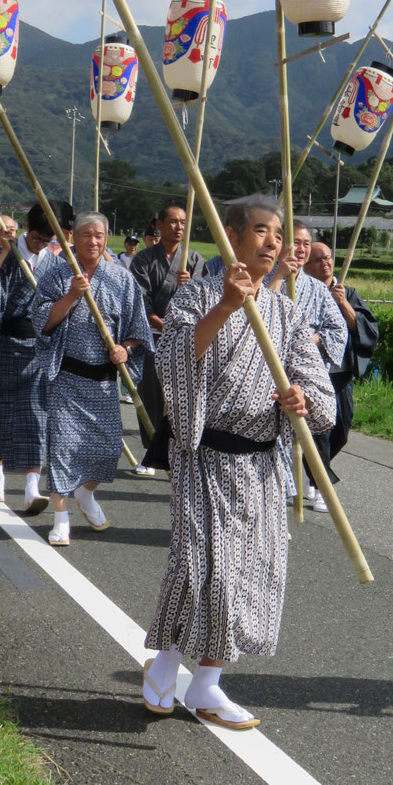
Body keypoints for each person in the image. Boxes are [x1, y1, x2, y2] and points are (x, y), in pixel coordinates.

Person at [142, 196, 336, 729]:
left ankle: (207, 684)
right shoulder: (196, 296)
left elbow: (320, 396)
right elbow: (174, 363)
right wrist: (225, 307)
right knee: (202, 566)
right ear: (231, 235)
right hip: (204, 455)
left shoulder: (289, 314)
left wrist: (302, 399)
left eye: (279, 235)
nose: (273, 243)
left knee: (248, 577)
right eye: (261, 231)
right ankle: (165, 662)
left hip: (262, 465)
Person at [31, 212, 153, 546]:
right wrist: (71, 295)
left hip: (103, 382)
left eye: (100, 235)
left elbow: (138, 329)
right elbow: (42, 322)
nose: (93, 241)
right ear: (74, 238)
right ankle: (60, 518)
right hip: (67, 377)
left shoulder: (121, 279)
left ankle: (86, 493)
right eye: (87, 235)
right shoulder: (57, 274)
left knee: (108, 449)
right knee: (64, 450)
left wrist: (125, 349)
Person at [0, 209, 52, 510]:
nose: (42, 244)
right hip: (3, 342)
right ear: (27, 229)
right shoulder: (7, 254)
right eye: (38, 238)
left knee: (35, 415)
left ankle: (32, 487)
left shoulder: (54, 262)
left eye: (48, 240)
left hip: (37, 346)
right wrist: (3, 253)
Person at [265, 223, 347, 512]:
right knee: (272, 435)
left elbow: (337, 329)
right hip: (269, 372)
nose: (300, 249)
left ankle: (320, 486)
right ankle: (279, 491)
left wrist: (312, 338)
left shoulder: (316, 288)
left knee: (320, 431)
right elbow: (256, 316)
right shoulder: (263, 281)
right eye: (295, 242)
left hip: (307, 372)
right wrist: (278, 277)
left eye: (305, 243)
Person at [131, 202, 206, 468]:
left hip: (185, 337)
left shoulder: (194, 260)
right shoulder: (143, 259)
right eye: (173, 222)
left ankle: (179, 448)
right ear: (159, 225)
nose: (178, 227)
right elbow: (140, 300)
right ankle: (149, 446)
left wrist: (191, 286)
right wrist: (160, 323)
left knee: (182, 395)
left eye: (183, 223)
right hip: (153, 334)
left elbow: (203, 301)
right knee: (151, 393)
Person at [303, 239, 380, 472]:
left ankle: (312, 472)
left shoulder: (348, 292)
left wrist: (343, 303)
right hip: (314, 370)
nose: (324, 263)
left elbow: (368, 330)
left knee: (341, 429)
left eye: (327, 257)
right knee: (320, 430)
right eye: (317, 260)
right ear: (306, 266)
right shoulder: (303, 293)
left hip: (341, 371)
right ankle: (318, 482)